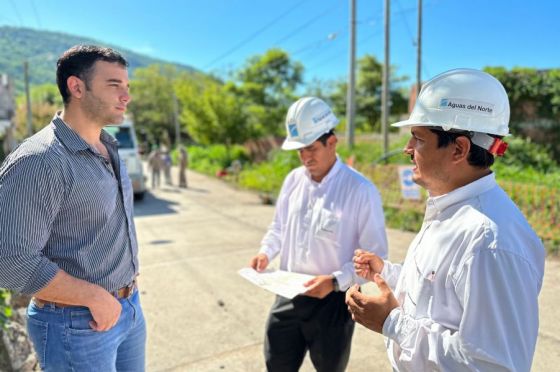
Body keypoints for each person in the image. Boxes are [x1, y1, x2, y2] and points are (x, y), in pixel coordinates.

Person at [346, 69, 545, 371]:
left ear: (459, 149)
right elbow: (440, 296)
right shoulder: (450, 209)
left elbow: (496, 365)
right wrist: (388, 273)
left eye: (418, 138)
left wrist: (392, 322)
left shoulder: (491, 242)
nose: (407, 150)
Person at [0, 45, 146, 371]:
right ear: (76, 87)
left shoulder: (108, 145)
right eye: (114, 85)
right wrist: (95, 298)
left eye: (127, 86)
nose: (126, 96)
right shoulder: (40, 160)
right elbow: (8, 259)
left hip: (129, 307)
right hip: (76, 325)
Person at [249, 97, 388, 372]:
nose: (305, 157)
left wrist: (336, 281)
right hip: (288, 292)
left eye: (311, 148)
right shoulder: (292, 181)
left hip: (333, 303)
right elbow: (278, 227)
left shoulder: (359, 190)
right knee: (276, 364)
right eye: (300, 150)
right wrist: (266, 252)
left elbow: (377, 255)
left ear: (332, 142)